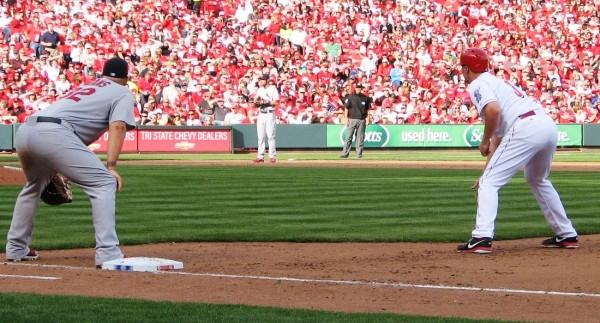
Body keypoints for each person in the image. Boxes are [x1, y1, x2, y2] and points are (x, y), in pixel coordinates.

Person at [5, 57, 136, 268]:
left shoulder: (90, 85)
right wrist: (111, 167)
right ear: (126, 78)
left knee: (33, 186)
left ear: (103, 75)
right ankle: (108, 252)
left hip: (26, 130)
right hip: (54, 133)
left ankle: (16, 247)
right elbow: (118, 126)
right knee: (103, 183)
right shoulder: (123, 92)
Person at [456, 48, 578, 254]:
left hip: (525, 127)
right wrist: (486, 172)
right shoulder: (498, 82)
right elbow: (498, 139)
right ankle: (567, 235)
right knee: (537, 179)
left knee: (490, 183)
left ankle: (481, 238)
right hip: (546, 125)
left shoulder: (477, 83)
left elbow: (493, 110)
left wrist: (483, 141)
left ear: (466, 69)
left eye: (462, 68)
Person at [340, 83, 372, 159]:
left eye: (360, 88)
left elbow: (368, 109)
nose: (358, 89)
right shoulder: (350, 97)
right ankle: (344, 154)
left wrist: (368, 119)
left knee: (360, 138)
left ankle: (359, 155)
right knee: (348, 137)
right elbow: (346, 108)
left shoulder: (365, 98)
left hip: (362, 119)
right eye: (357, 88)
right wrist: (346, 119)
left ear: (361, 89)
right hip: (352, 119)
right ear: (355, 88)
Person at [253, 74, 279, 163]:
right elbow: (255, 101)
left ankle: (272, 156)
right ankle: (260, 157)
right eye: (260, 79)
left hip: (270, 113)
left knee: (271, 136)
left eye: (263, 79)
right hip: (261, 114)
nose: (261, 81)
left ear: (267, 80)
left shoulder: (272, 89)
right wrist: (257, 102)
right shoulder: (260, 89)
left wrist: (265, 102)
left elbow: (276, 102)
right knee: (260, 137)